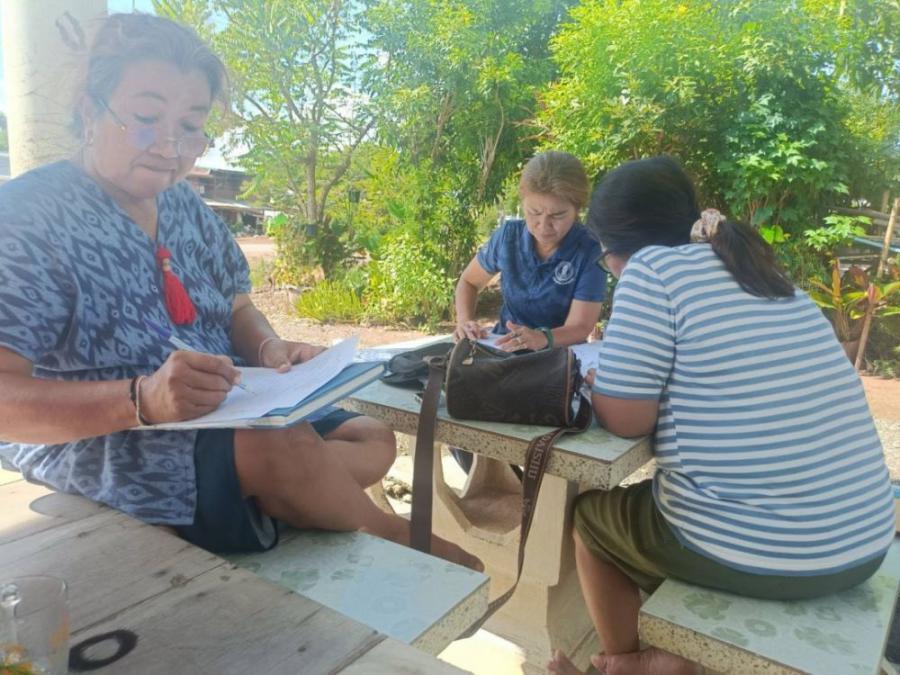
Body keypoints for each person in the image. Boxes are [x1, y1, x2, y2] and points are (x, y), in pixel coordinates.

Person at [0, 13, 480, 571]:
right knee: (280, 448)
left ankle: (275, 487)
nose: (170, 147)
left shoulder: (184, 206)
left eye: (191, 126)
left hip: (223, 410)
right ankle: (395, 538)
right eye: (147, 118)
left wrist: (268, 348)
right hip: (103, 433)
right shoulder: (28, 216)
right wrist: (143, 399)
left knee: (372, 438)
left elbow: (238, 308)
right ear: (90, 109)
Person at [549, 156, 894, 675]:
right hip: (864, 539)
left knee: (592, 520)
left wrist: (607, 387)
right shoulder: (765, 274)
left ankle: (629, 662)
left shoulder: (651, 270)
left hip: (771, 551)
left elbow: (625, 420)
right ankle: (673, 650)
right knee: (678, 507)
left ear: (615, 245)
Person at [452, 150, 607, 471]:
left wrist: (542, 338)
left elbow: (581, 326)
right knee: (462, 427)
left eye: (558, 215)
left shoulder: (589, 249)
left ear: (578, 208)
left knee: (551, 444)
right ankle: (506, 489)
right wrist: (465, 321)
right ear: (523, 200)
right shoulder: (508, 237)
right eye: (534, 212)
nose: (543, 226)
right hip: (503, 353)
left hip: (559, 365)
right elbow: (468, 282)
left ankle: (528, 493)